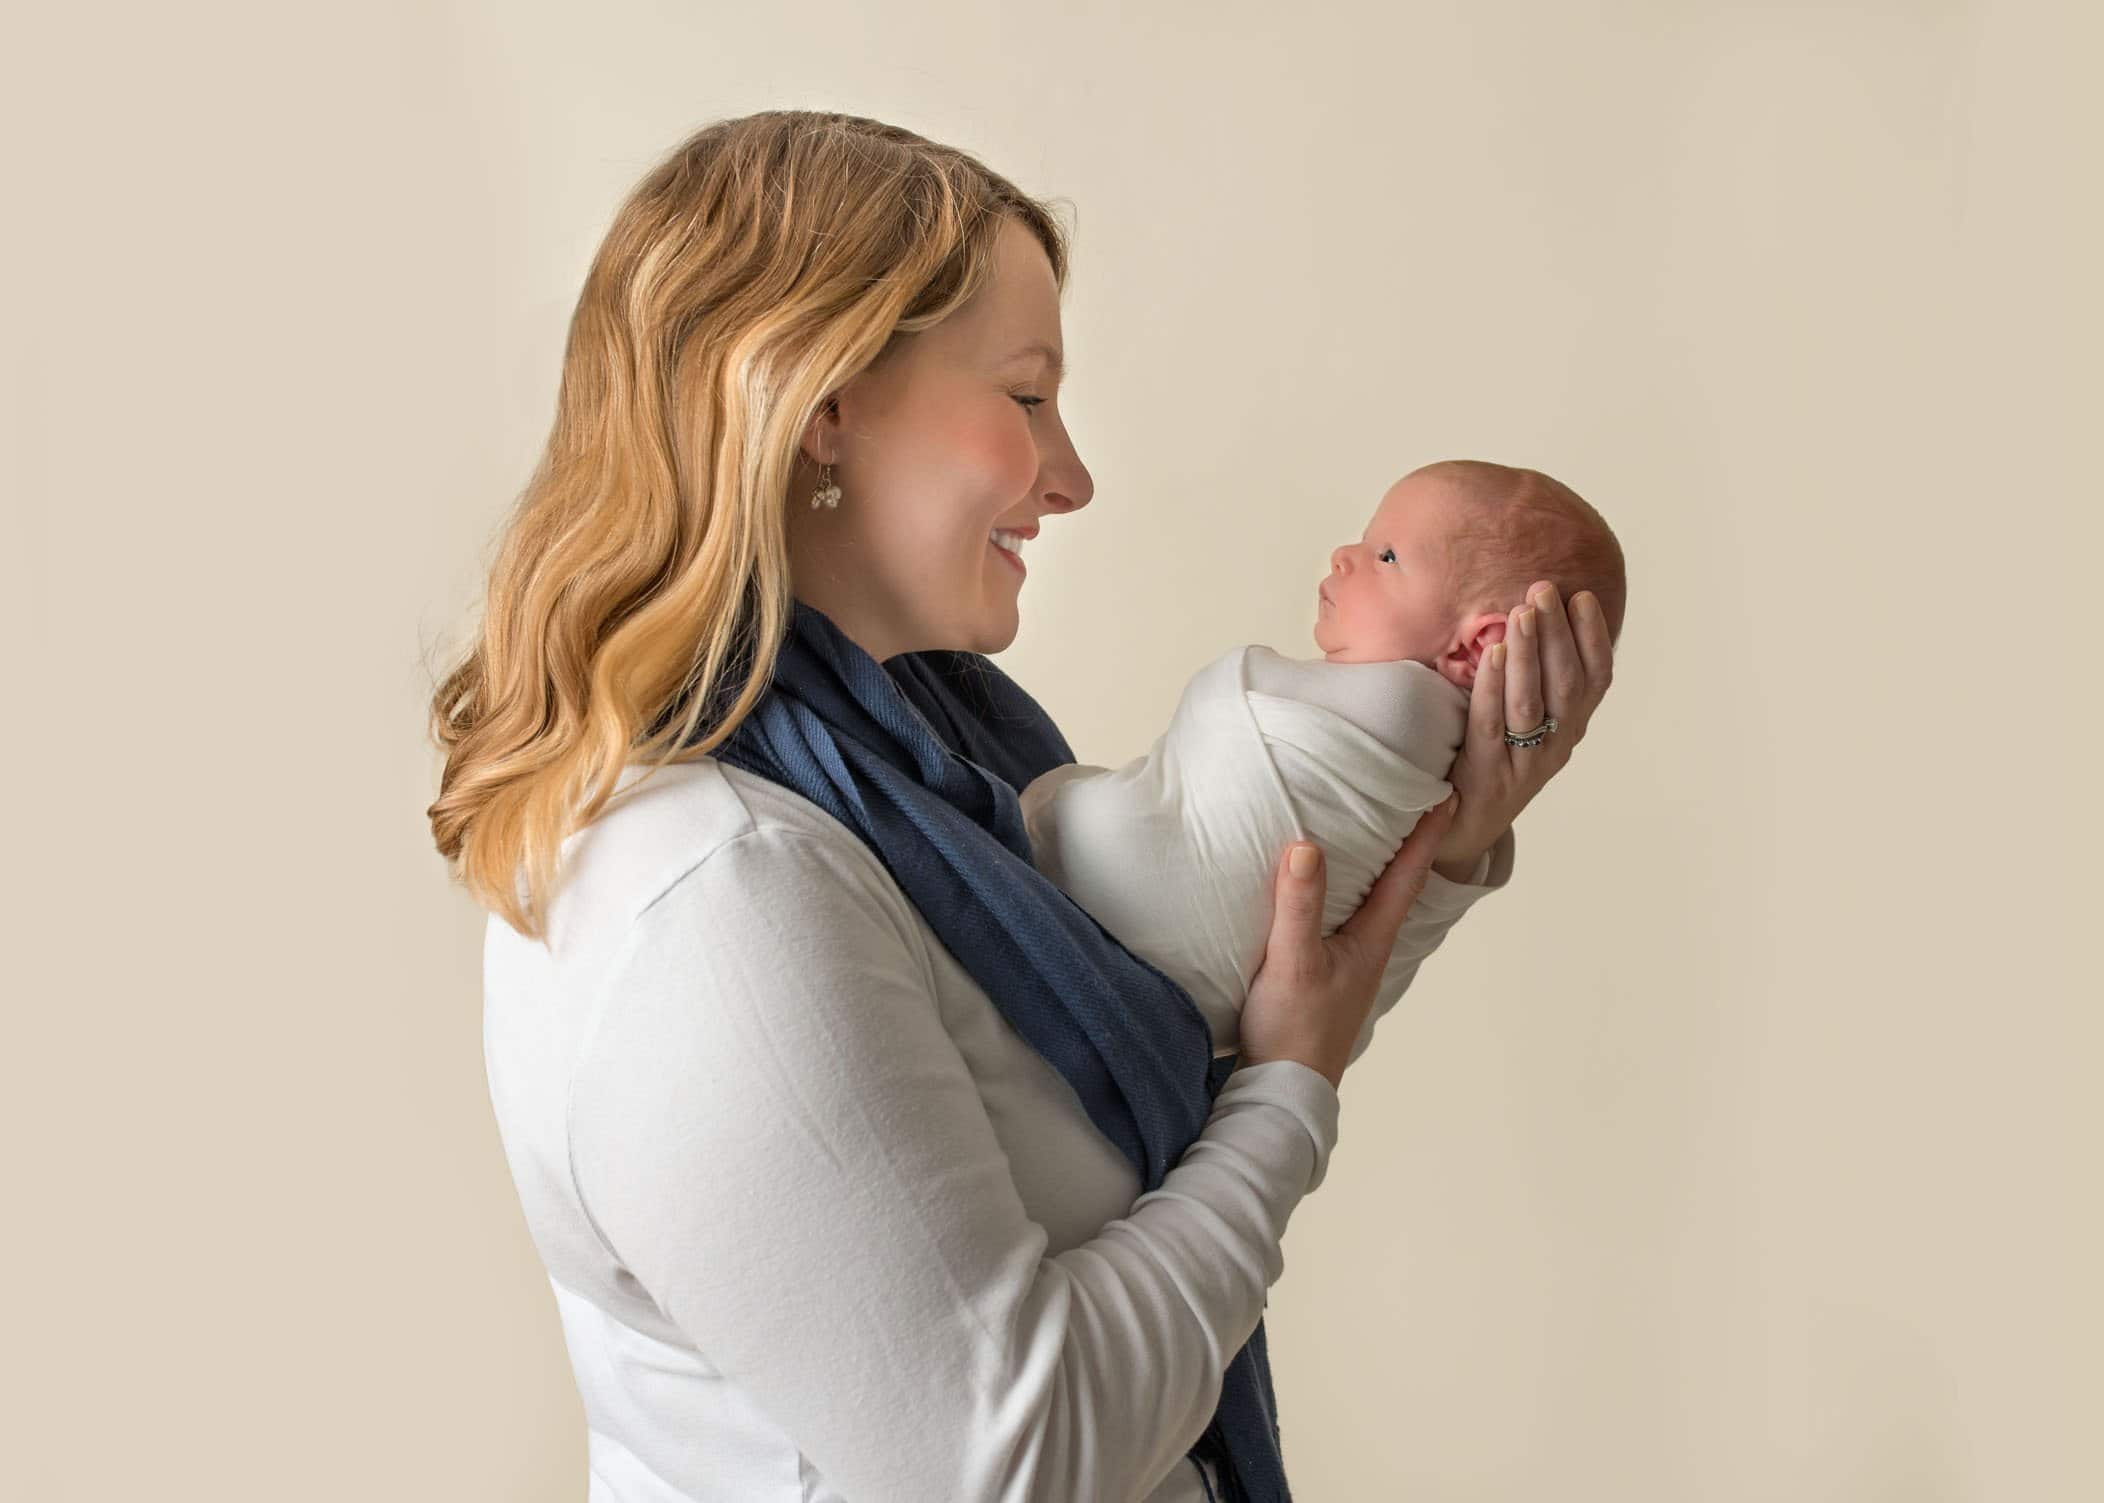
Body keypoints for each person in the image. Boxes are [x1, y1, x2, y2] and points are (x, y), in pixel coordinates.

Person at [427, 109, 1615, 1503]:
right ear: (823, 405)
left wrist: (1445, 833)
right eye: (1028, 394)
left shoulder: (925, 771)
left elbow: (1213, 1015)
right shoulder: (720, 891)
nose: (1074, 475)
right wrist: (1291, 1095)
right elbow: (1008, 1452)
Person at [1020, 457, 1625, 1062]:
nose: (1343, 555)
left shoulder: (1403, 711)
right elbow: (1330, 1028)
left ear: (1481, 647)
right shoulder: (1444, 775)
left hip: (1091, 942)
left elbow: (1238, 693)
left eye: (1387, 556)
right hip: (1179, 1021)